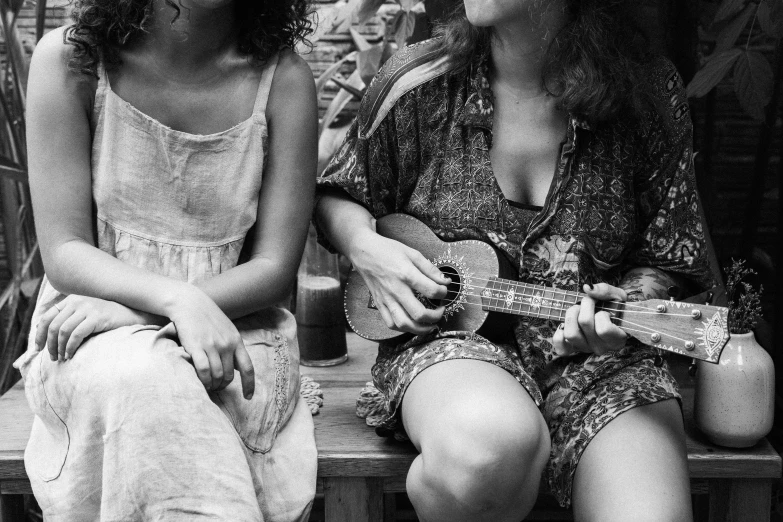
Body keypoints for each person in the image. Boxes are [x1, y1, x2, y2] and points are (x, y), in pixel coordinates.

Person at [315, 0, 718, 520]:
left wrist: (625, 310)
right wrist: (364, 246)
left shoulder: (648, 92)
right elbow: (337, 194)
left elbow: (669, 255)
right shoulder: (418, 81)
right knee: (489, 452)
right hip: (449, 344)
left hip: (604, 368)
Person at [14, 0, 318, 519]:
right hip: (88, 330)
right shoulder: (74, 62)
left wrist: (148, 312)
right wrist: (173, 300)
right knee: (142, 373)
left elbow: (273, 270)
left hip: (234, 333)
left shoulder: (283, 79)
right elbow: (64, 251)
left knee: (157, 380)